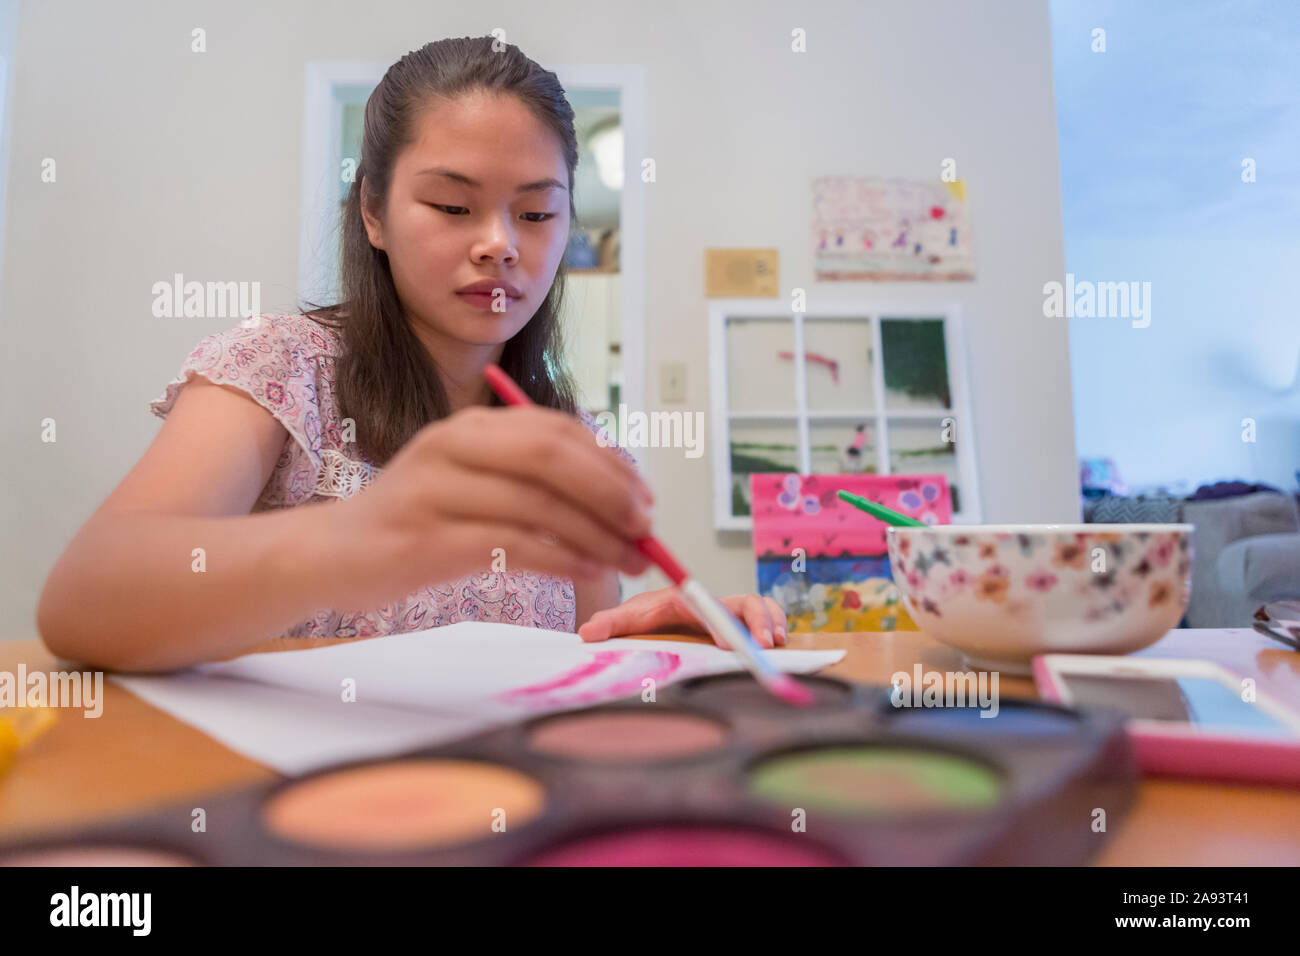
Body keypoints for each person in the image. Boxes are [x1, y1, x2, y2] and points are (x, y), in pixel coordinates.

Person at [37, 36, 786, 672]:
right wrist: (350, 540)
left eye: (536, 212)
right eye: (454, 207)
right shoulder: (278, 370)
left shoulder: (575, 448)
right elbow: (82, 601)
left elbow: (572, 663)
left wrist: (634, 648)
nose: (500, 243)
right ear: (373, 212)